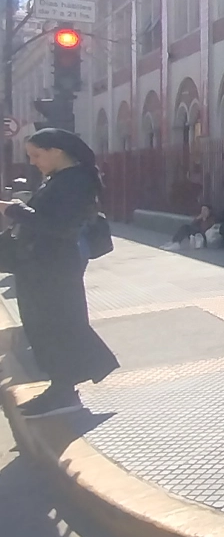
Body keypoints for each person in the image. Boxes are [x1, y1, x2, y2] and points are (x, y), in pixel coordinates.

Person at [0, 128, 119, 418]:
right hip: (44, 266)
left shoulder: (75, 181)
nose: (33, 162)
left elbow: (59, 226)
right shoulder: (62, 179)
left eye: (37, 155)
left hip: (53, 267)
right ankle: (61, 388)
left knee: (56, 325)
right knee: (48, 325)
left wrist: (14, 210)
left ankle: (64, 390)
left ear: (56, 151)